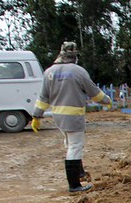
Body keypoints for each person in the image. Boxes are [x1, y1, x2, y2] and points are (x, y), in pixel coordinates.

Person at [31, 42, 112, 193]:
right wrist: (107, 100)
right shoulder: (78, 71)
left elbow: (43, 97)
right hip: (73, 116)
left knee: (70, 143)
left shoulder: (49, 72)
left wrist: (36, 116)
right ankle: (74, 185)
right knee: (75, 147)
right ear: (74, 56)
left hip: (58, 116)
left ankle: (79, 173)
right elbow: (94, 92)